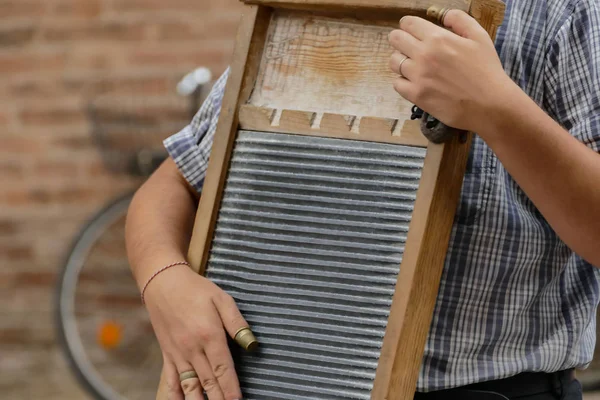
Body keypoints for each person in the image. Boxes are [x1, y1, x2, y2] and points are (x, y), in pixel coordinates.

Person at [125, 0, 600, 399]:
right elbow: (173, 185)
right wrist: (165, 282)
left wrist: (496, 108)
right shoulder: (309, 11)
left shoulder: (563, 15)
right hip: (278, 382)